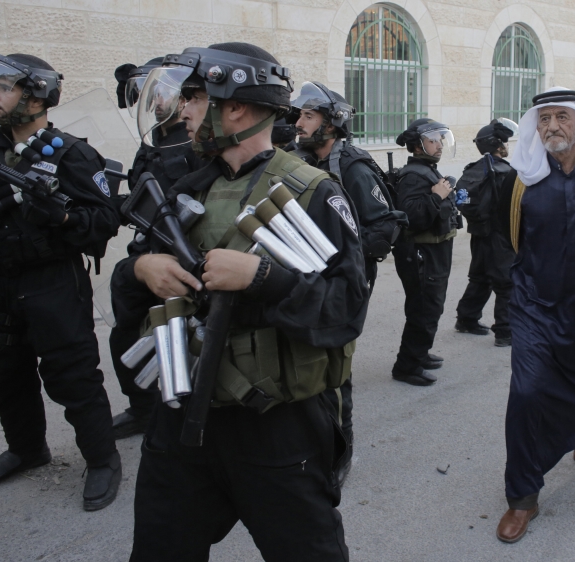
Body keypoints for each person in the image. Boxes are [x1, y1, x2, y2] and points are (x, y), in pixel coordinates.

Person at [122, 42, 365, 560]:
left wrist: (263, 278)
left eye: (191, 97)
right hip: (183, 407)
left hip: (276, 427)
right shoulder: (186, 185)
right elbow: (128, 280)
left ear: (234, 106)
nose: (181, 111)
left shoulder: (315, 194)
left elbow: (346, 310)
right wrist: (141, 268)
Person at [0, 53, 122, 510]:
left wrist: (62, 215)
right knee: (2, 372)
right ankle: (27, 449)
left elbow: (105, 220)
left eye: (3, 87)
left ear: (36, 94)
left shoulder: (72, 152)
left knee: (73, 375)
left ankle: (103, 460)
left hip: (52, 282)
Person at [495, 88, 575, 543]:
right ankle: (522, 497)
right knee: (528, 392)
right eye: (544, 118)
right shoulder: (521, 178)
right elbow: (511, 237)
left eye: (562, 117)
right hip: (534, 300)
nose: (553, 126)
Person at [289, 80, 408, 484]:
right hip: (297, 279)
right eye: (299, 115)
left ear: (333, 123)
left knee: (335, 369)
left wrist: (343, 254)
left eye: (308, 116)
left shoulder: (353, 167)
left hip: (342, 282)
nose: (299, 124)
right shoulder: (294, 159)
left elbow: (386, 226)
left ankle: (341, 450)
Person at [109, 58, 205, 439]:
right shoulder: (153, 144)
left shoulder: (195, 144)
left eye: (163, 91)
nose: (155, 100)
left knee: (178, 341)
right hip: (146, 255)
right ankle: (142, 408)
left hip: (182, 259)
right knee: (127, 338)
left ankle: (180, 415)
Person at [390, 118, 460, 386]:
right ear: (417, 146)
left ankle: (418, 353)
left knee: (430, 307)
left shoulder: (427, 171)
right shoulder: (413, 176)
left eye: (441, 138)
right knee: (424, 309)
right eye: (433, 139)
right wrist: (436, 196)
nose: (440, 143)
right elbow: (412, 216)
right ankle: (406, 366)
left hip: (434, 252)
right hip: (421, 254)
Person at [454, 119, 518, 347]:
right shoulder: (506, 172)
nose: (507, 145)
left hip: (479, 233)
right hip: (500, 236)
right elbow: (515, 207)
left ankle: (466, 318)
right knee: (505, 283)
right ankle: (505, 332)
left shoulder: (473, 169)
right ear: (498, 145)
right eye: (505, 142)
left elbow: (459, 199)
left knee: (480, 278)